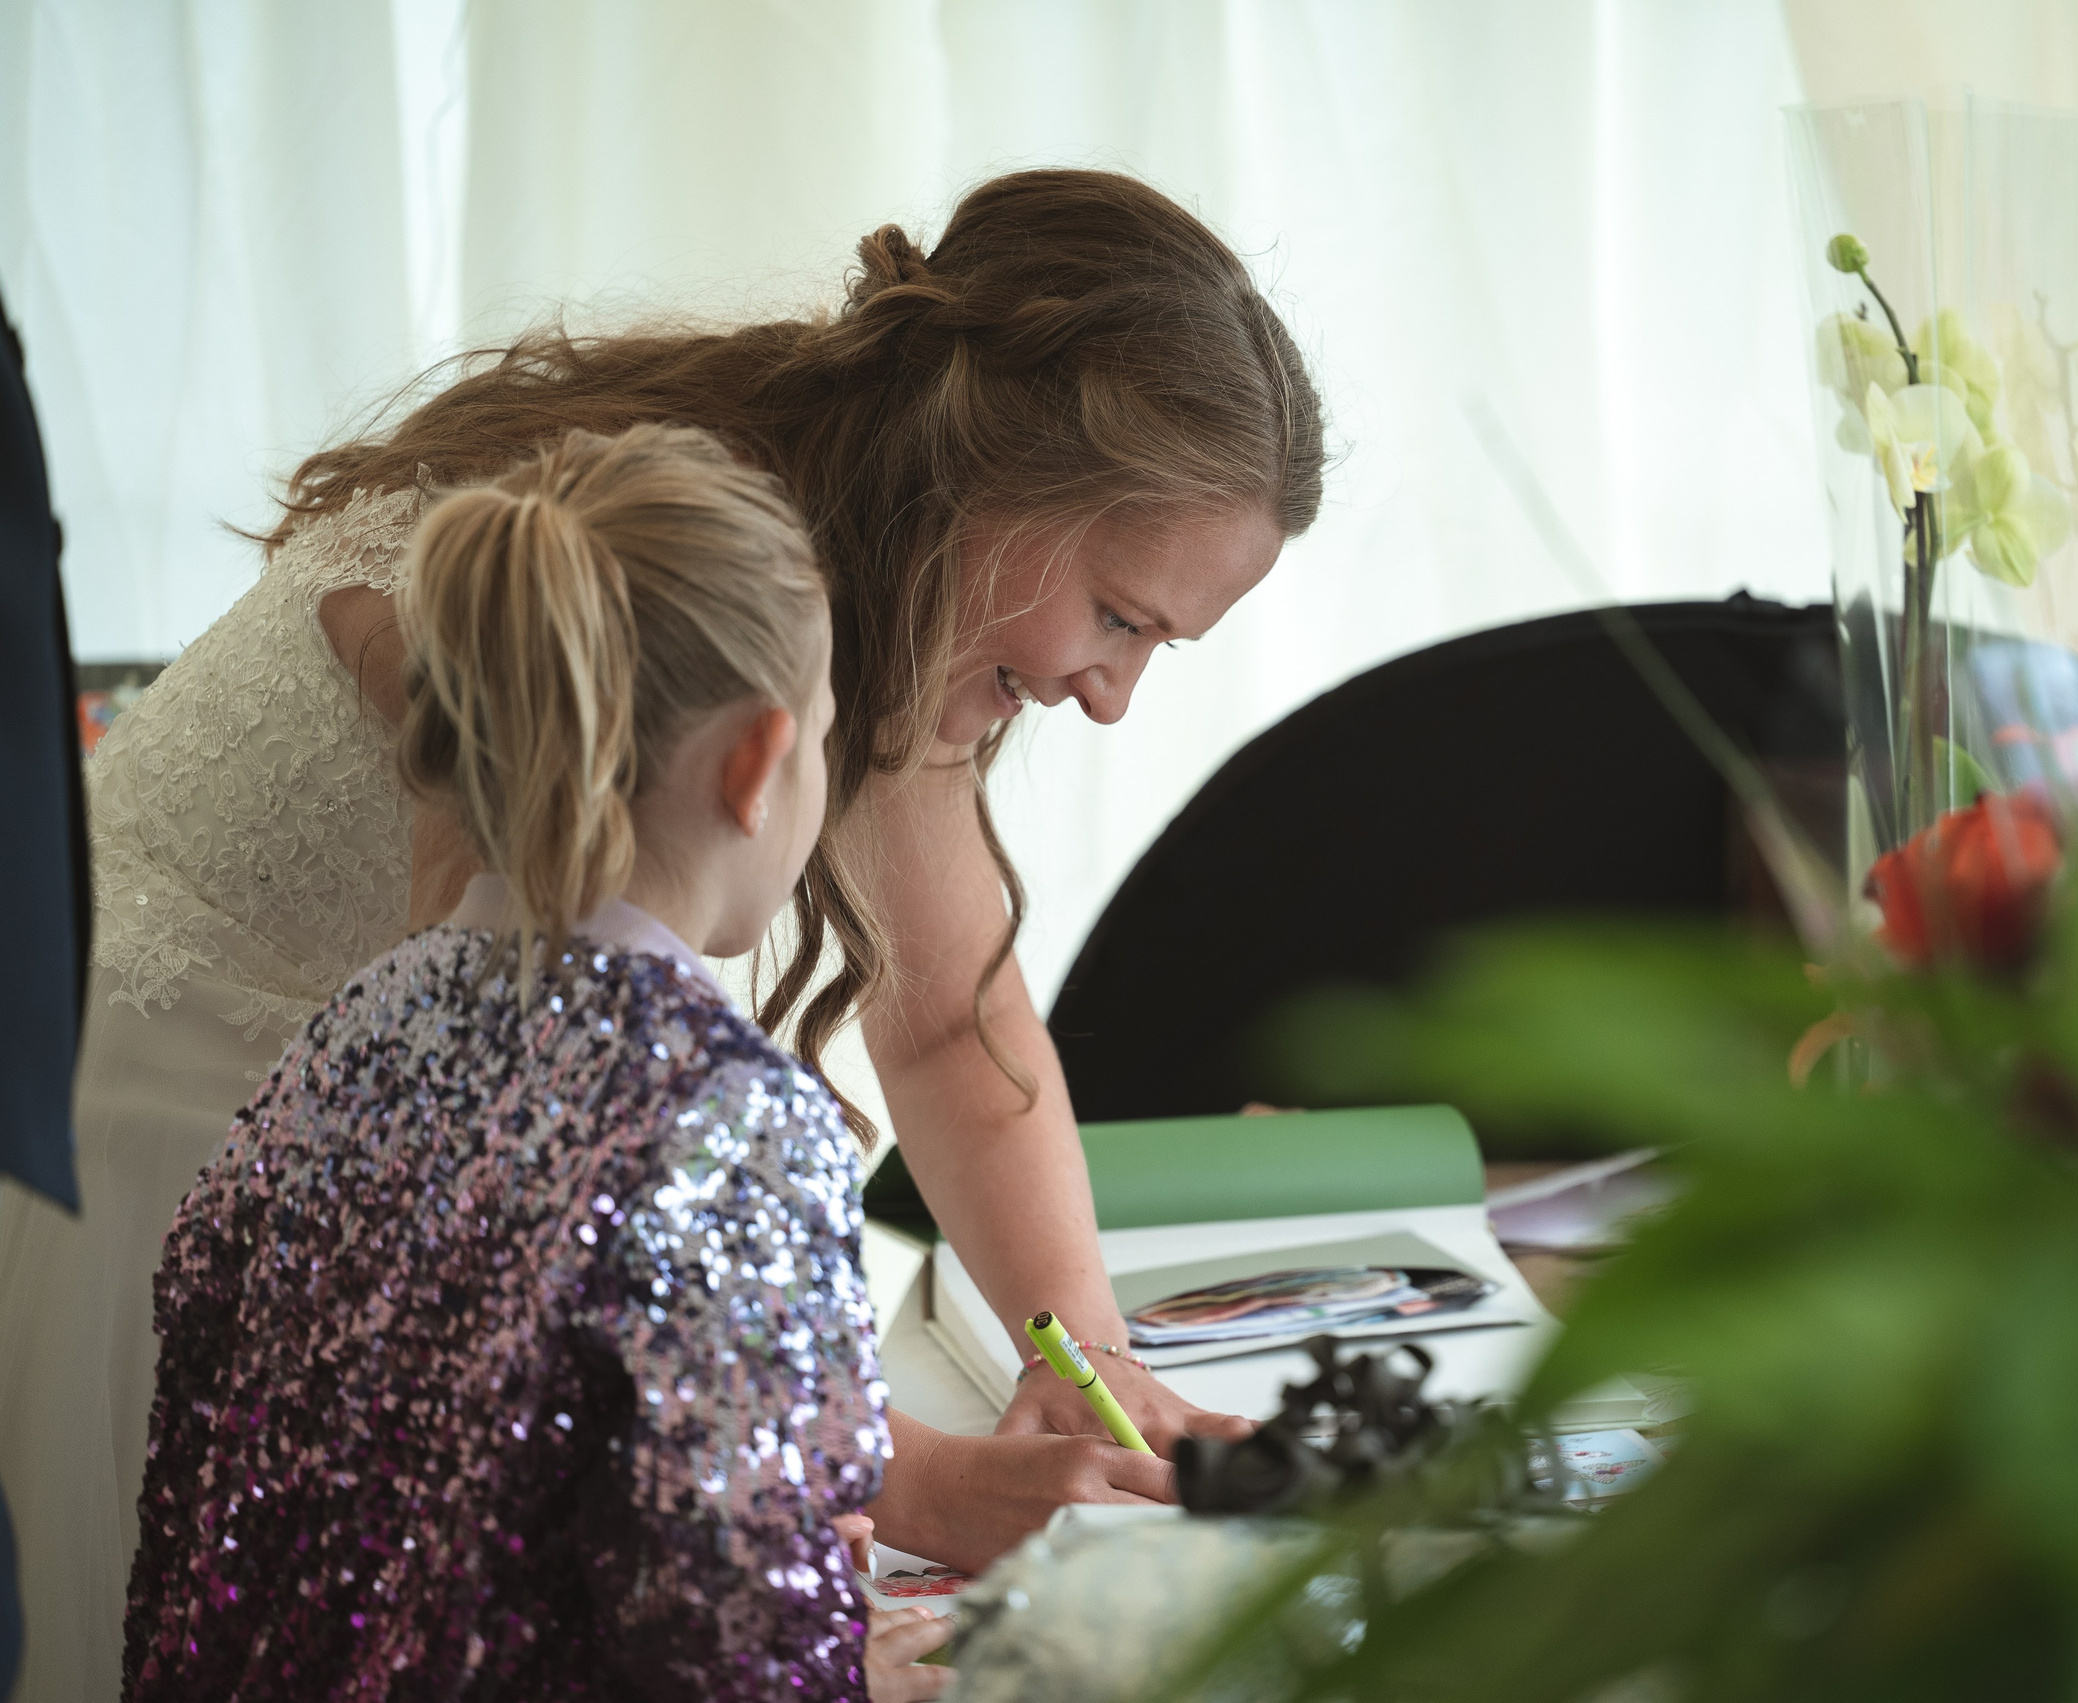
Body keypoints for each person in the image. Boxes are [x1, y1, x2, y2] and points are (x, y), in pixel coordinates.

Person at [0, 167, 1317, 1700]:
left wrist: (1082, 1359)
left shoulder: (844, 599)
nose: (1114, 696)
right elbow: (534, 1250)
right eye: (1122, 616)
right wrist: (925, 1488)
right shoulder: (584, 630)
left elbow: (953, 1018)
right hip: (173, 1166)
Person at [124, 424, 951, 1701]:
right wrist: (834, 1660)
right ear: (756, 763)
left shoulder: (339, 1040)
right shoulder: (732, 1121)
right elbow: (733, 1638)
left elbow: (215, 1489)